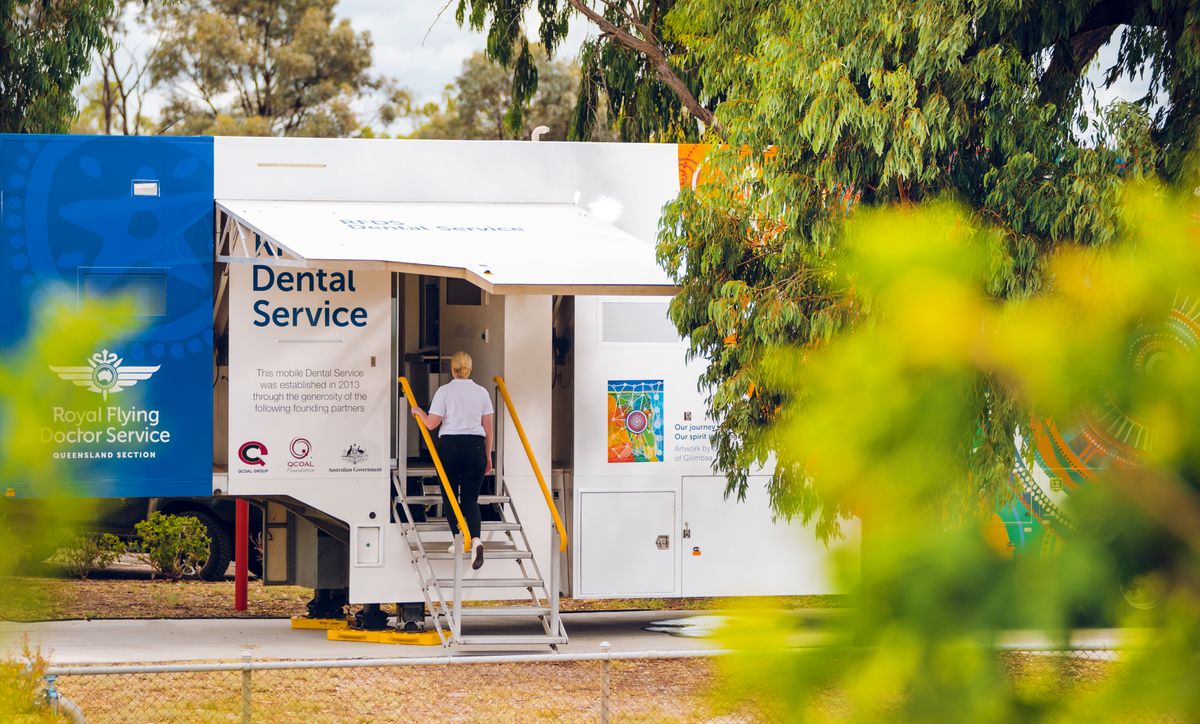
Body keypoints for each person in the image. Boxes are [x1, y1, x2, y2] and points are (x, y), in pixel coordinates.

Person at [411, 351, 494, 570]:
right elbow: (488, 429)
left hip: (451, 447)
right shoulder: (482, 392)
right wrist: (487, 456)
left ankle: (459, 538)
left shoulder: (444, 391)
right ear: (470, 368)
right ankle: (476, 540)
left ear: (452, 369)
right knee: (470, 499)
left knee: (450, 496)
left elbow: (431, 424)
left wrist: (419, 411)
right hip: (476, 446)